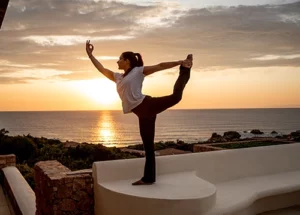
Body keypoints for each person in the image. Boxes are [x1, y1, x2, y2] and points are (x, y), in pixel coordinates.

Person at [85, 40, 193, 185]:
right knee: (148, 147)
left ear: (127, 61)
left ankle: (185, 68)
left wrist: (180, 62)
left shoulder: (138, 71)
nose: (117, 61)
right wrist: (90, 55)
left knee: (176, 96)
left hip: (147, 105)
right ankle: (149, 179)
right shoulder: (118, 77)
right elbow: (102, 69)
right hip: (142, 113)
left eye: (120, 59)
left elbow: (160, 66)